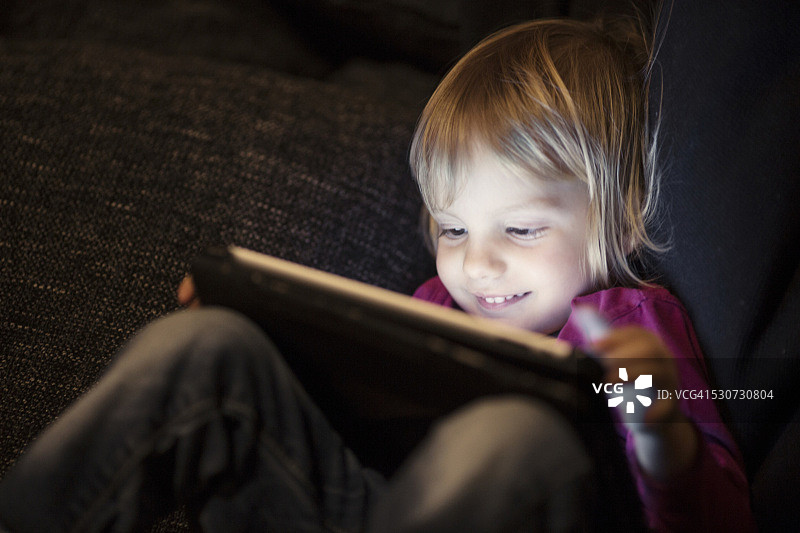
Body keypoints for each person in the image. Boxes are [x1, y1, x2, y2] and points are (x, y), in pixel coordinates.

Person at [0, 17, 754, 533]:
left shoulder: (630, 327)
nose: (476, 261)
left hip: (542, 498)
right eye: (451, 228)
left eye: (521, 229)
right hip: (376, 507)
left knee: (511, 435)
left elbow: (720, 513)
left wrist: (656, 423)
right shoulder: (436, 305)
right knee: (204, 345)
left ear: (618, 221)